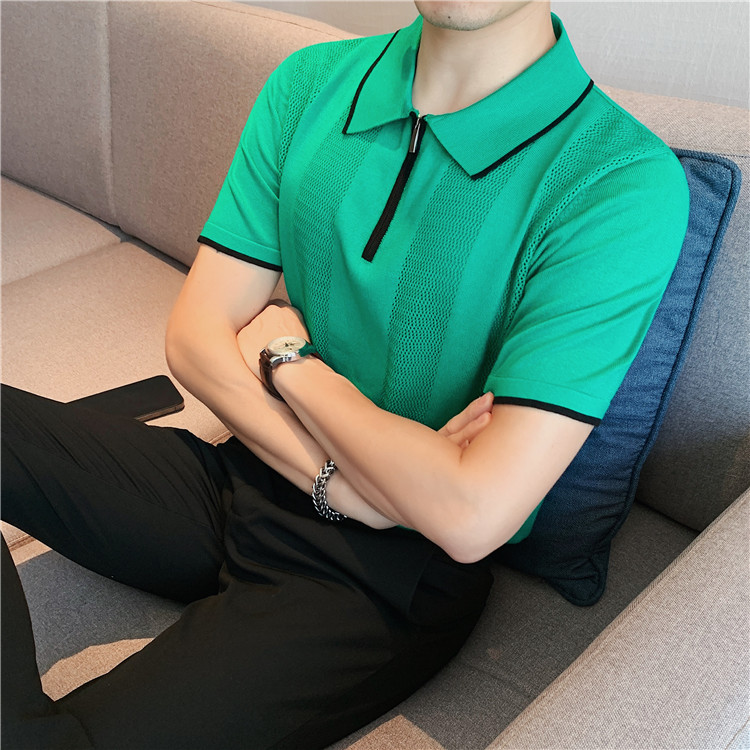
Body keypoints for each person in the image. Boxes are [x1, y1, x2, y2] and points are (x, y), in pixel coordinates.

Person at [1, 1, 689, 748]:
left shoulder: (620, 181)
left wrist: (287, 362)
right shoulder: (311, 83)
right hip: (250, 468)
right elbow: (195, 338)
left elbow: (471, 516)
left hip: (387, 574)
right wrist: (347, 489)